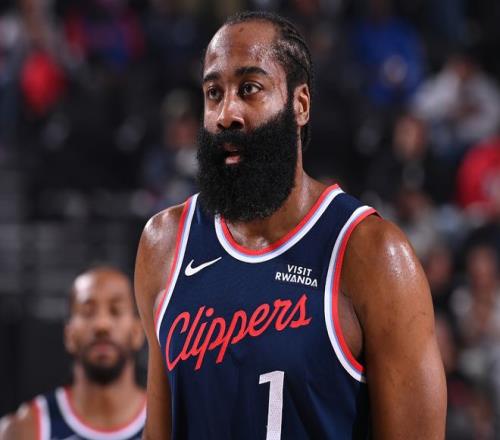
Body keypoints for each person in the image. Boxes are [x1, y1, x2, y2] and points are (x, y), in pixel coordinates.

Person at [135, 11, 447, 439]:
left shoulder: (373, 255)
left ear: (300, 105)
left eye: (250, 88)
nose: (226, 113)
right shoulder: (165, 244)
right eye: (213, 93)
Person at [0, 267, 146, 440]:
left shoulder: (167, 422)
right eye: (88, 312)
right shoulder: (24, 429)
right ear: (69, 335)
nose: (102, 325)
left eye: (116, 311)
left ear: (137, 332)